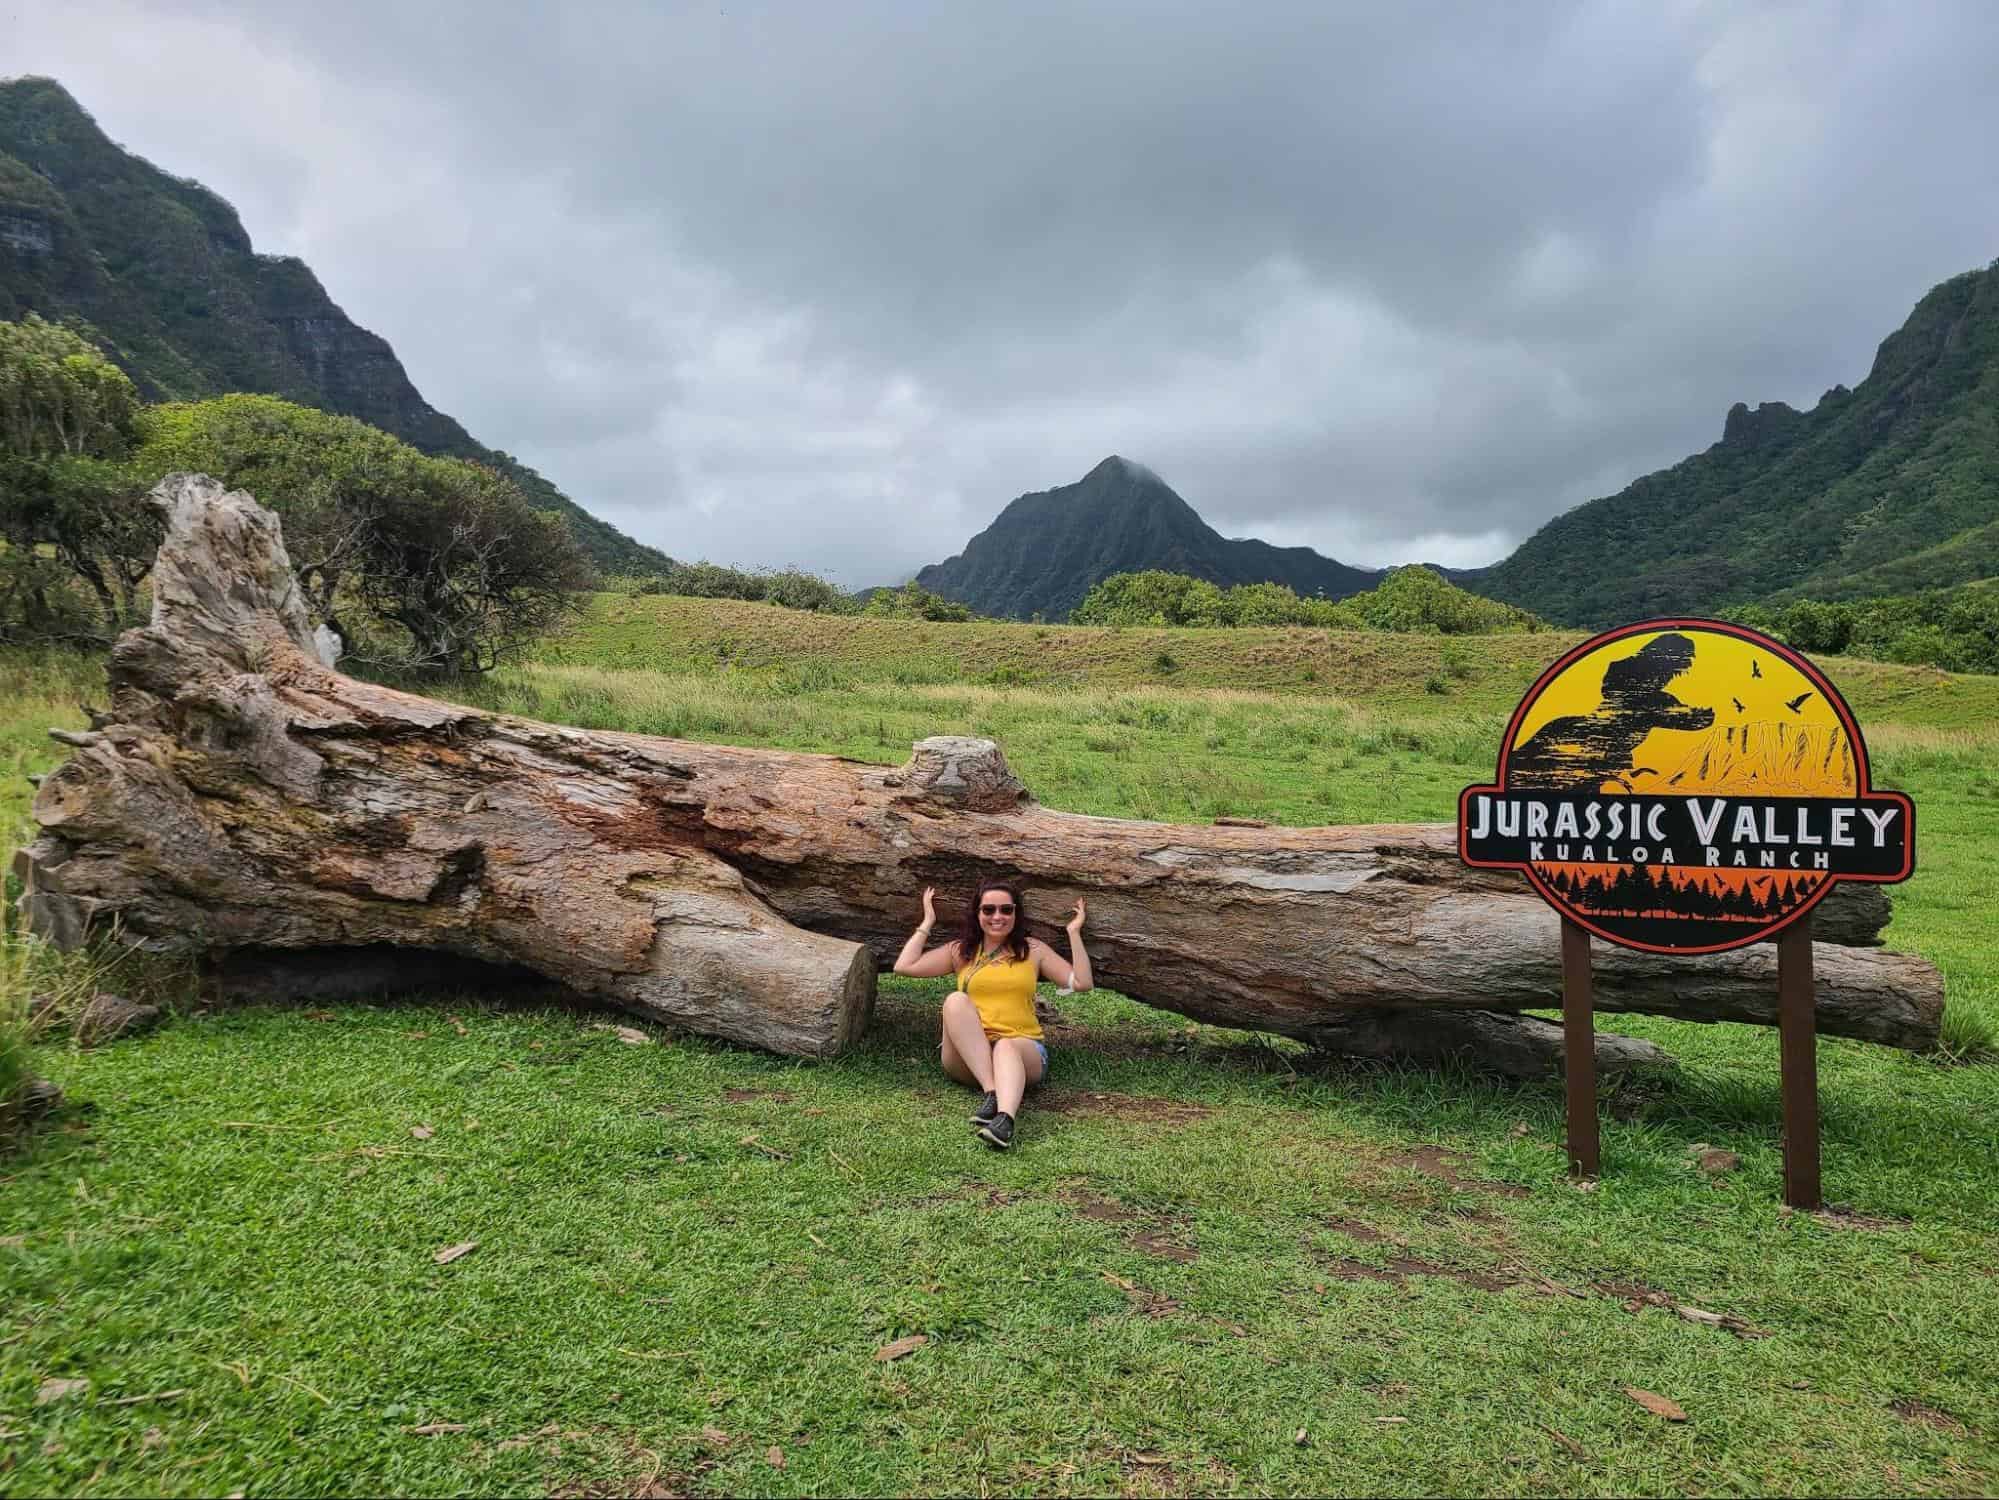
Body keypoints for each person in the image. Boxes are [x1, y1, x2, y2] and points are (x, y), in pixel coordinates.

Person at [891, 879, 1091, 1149]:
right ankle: (992, 1091)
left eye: (1006, 910)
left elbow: (1081, 983)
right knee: (955, 1000)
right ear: (977, 914)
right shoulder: (961, 951)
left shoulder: (1033, 950)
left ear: (1016, 914)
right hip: (970, 1058)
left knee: (1006, 1046)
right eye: (988, 910)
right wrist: (927, 922)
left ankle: (1004, 1120)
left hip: (1021, 1051)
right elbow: (904, 966)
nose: (998, 917)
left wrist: (1074, 933)